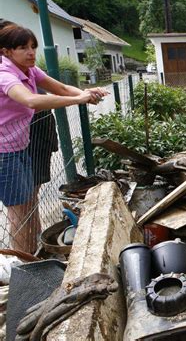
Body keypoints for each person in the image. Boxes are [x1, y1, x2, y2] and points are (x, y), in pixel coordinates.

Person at [0, 24, 108, 253]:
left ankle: (34, 255)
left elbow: (59, 87)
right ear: (6, 51)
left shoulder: (29, 70)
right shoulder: (5, 75)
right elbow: (31, 101)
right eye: (23, 47)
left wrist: (86, 93)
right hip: (3, 154)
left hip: (19, 147)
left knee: (29, 205)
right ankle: (22, 264)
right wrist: (78, 100)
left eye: (33, 47)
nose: (31, 52)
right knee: (19, 213)